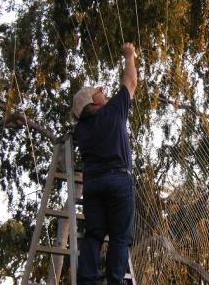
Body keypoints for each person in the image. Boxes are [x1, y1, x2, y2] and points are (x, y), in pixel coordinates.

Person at [70, 43, 137, 285]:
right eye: (97, 91)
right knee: (120, 237)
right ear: (93, 103)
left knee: (94, 234)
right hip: (117, 180)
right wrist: (129, 56)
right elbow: (130, 82)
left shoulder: (81, 130)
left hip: (93, 185)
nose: (101, 90)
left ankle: (86, 281)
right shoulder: (112, 111)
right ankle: (114, 281)